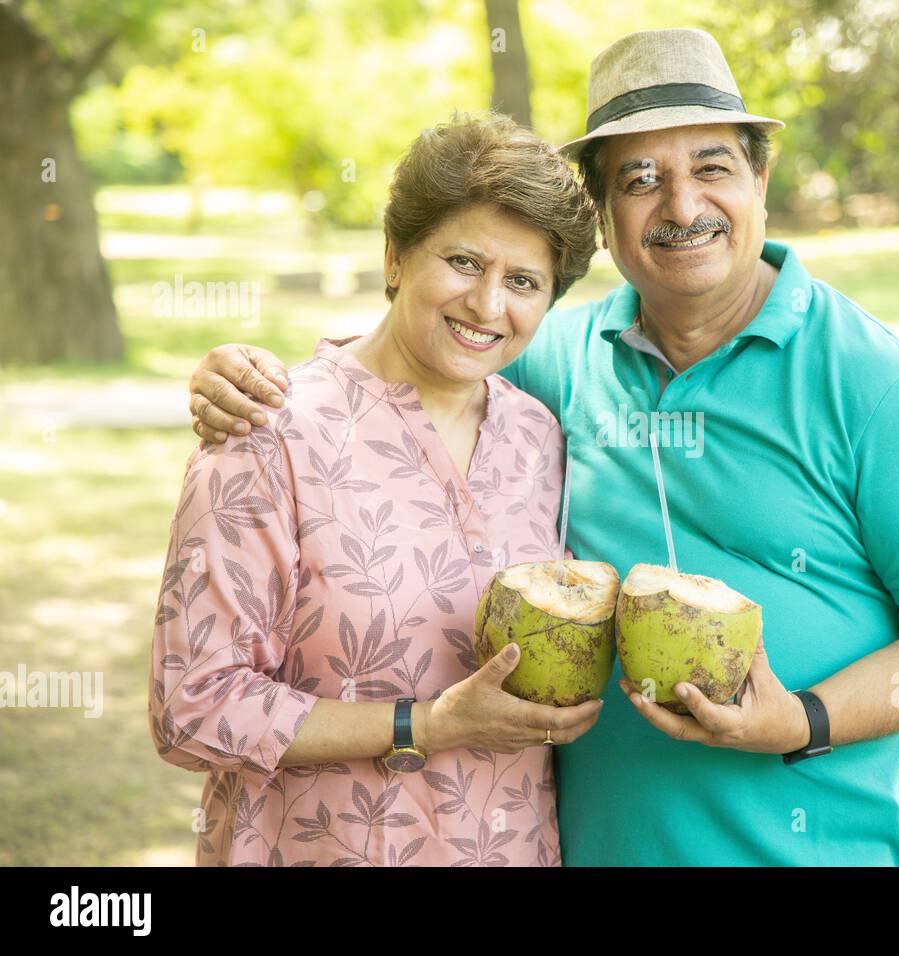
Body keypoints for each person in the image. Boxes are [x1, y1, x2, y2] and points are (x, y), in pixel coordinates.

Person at [186, 28, 899, 866]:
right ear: (605, 213)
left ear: (762, 179)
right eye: (641, 179)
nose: (682, 207)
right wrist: (253, 379)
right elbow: (431, 352)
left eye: (712, 167)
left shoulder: (869, 382)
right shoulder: (555, 361)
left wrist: (802, 719)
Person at [149, 113, 603, 866]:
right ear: (395, 256)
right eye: (463, 261)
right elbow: (192, 708)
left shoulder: (538, 437)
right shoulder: (269, 430)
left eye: (523, 281)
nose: (489, 306)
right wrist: (426, 725)